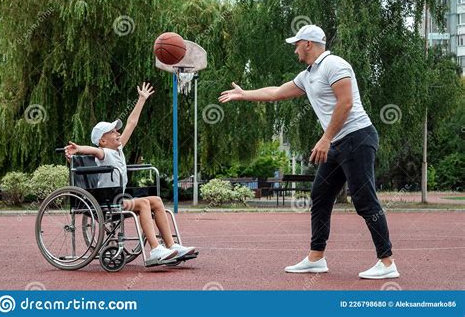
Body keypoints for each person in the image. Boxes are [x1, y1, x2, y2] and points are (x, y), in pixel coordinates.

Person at [219, 25, 399, 279]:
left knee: (364, 199)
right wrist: (244, 94)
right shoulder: (308, 75)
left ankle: (387, 261)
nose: (294, 49)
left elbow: (346, 103)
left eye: (296, 44)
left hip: (357, 137)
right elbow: (276, 93)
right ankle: (316, 257)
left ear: (308, 44)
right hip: (337, 141)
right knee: (320, 195)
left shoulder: (334, 64)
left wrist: (325, 138)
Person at [65, 82, 197, 267]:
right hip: (108, 202)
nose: (117, 132)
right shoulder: (104, 153)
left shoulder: (118, 149)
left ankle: (172, 245)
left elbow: (132, 123)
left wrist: (141, 99)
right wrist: (78, 149)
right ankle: (155, 249)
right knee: (143, 203)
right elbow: (92, 151)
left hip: (119, 198)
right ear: (103, 140)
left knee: (157, 201)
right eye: (113, 132)